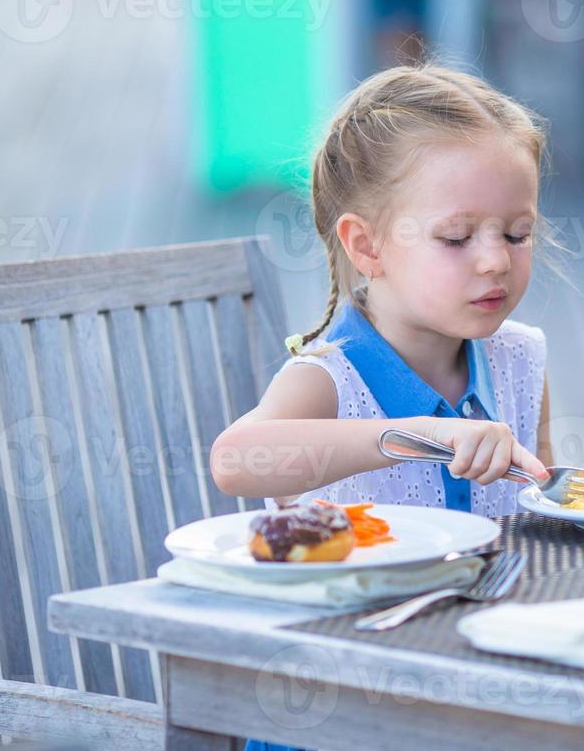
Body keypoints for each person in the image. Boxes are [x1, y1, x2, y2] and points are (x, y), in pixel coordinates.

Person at [211, 63, 553, 517]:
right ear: (368, 246)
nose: (497, 261)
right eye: (455, 237)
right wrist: (419, 436)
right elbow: (234, 460)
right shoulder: (330, 380)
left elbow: (549, 517)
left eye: (517, 234)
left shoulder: (520, 359)